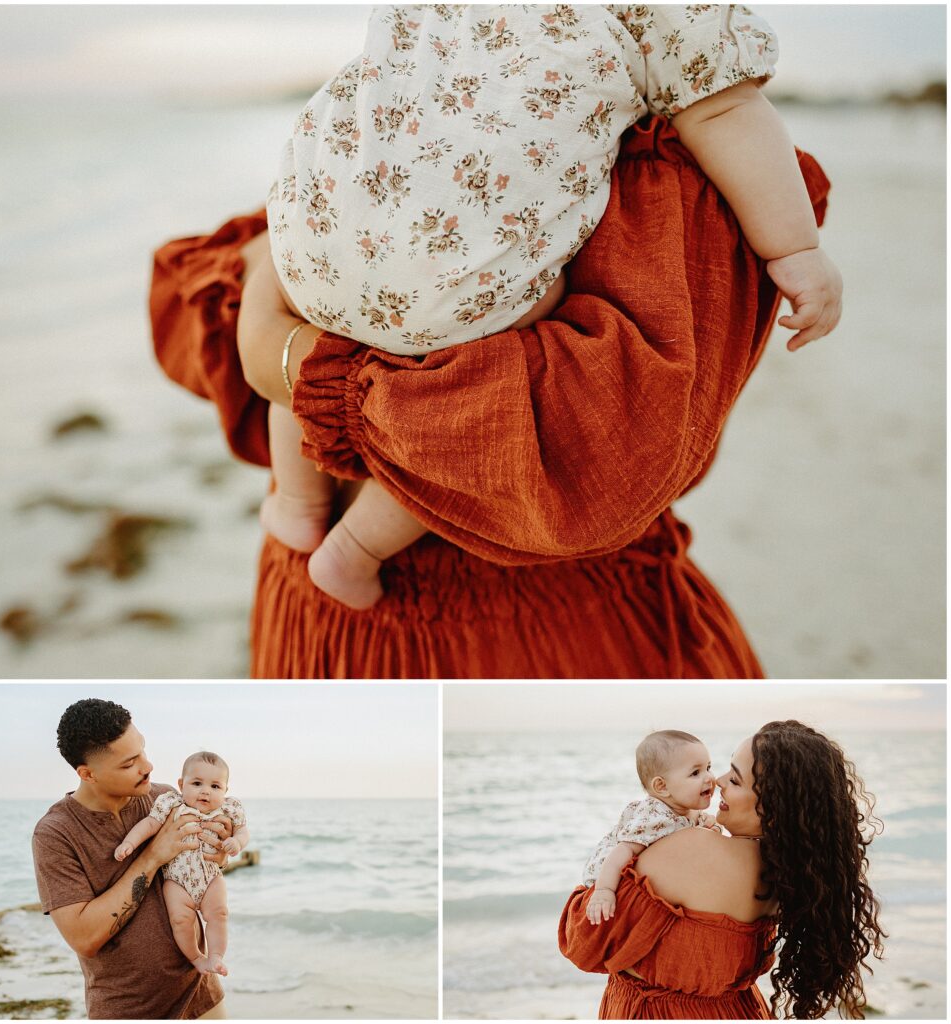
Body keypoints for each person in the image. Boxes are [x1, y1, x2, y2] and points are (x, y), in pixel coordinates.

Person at [150, 81, 833, 676]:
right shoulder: (411, 114)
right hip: (358, 624)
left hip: (522, 632)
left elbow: (585, 446)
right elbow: (191, 325)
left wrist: (285, 335)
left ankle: (316, 514)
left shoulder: (674, 180)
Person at [251, 4, 842, 612]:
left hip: (315, 220)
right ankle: (354, 547)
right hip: (455, 270)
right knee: (475, 397)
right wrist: (795, 248)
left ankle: (298, 505)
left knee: (327, 318)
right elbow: (723, 106)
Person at [559, 720, 886, 1019]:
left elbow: (582, 942)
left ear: (772, 806)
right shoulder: (790, 872)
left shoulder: (691, 849)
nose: (718, 781)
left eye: (735, 778)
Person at [32, 699, 232, 1019]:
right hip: (127, 1009)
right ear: (87, 774)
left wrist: (219, 853)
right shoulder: (56, 834)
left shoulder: (164, 798)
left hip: (201, 996)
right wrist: (152, 856)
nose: (147, 766)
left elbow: (205, 871)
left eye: (142, 750)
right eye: (129, 764)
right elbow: (84, 938)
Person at [115, 751, 249, 977]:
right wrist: (129, 842)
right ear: (181, 784)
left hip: (211, 876)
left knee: (219, 914)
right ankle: (196, 958)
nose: (206, 791)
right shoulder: (171, 803)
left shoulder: (228, 809)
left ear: (225, 791)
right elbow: (149, 824)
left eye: (215, 786)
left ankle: (216, 956)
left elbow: (243, 831)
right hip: (177, 881)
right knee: (180, 920)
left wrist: (237, 841)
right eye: (197, 783)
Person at [583, 730, 716, 925]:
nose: (709, 778)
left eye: (708, 768)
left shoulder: (687, 811)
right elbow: (623, 850)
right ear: (662, 787)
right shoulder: (653, 815)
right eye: (695, 773)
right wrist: (604, 890)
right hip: (608, 873)